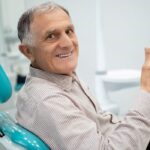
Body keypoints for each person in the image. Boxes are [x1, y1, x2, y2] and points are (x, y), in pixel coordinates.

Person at [16, 1, 150, 150]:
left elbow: (102, 124)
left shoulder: (63, 78)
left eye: (69, 31)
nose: (67, 43)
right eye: (51, 36)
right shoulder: (47, 100)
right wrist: (146, 93)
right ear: (28, 51)